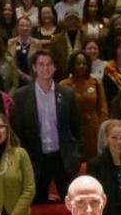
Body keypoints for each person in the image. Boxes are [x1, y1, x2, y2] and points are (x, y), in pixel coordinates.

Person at [12, 51, 79, 202]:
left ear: (55, 67)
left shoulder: (67, 94)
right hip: (36, 159)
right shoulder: (21, 95)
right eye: (41, 64)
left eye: (49, 64)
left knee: (71, 203)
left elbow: (76, 128)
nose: (45, 68)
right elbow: (16, 131)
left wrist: (76, 154)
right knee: (37, 204)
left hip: (62, 158)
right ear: (34, 68)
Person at [62, 52, 111, 161]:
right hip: (73, 129)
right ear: (72, 65)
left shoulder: (95, 83)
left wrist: (104, 130)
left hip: (93, 128)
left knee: (93, 160)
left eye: (84, 63)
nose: (81, 66)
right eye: (78, 63)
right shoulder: (64, 85)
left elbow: (103, 108)